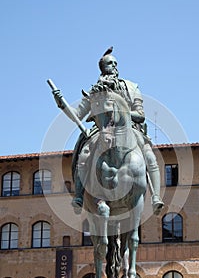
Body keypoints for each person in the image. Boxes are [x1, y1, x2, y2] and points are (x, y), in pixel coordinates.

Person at [53, 47, 164, 214]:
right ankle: (79, 195)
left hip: (128, 128)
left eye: (115, 63)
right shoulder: (94, 92)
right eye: (109, 63)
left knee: (148, 154)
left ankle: (156, 197)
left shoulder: (132, 88)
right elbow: (76, 115)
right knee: (84, 152)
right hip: (101, 129)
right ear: (102, 68)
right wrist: (62, 104)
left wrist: (122, 113)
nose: (114, 66)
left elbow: (140, 116)